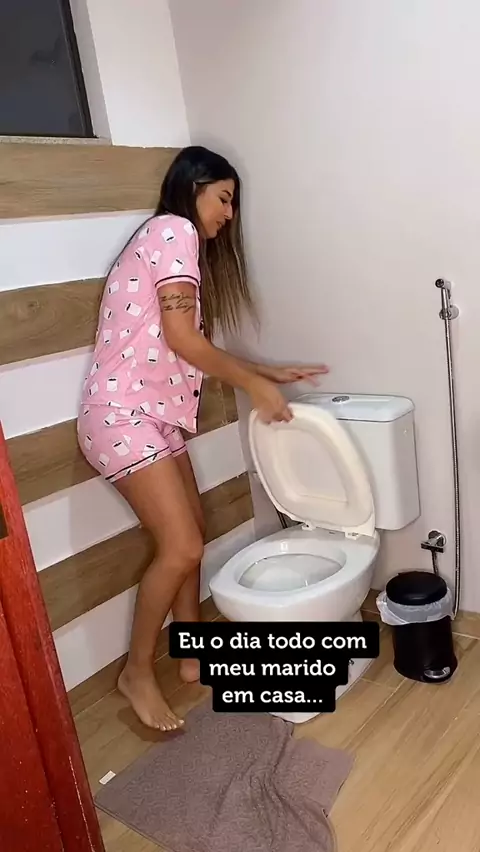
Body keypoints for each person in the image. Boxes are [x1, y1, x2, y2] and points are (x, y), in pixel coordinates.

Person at [77, 146, 328, 731]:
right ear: (193, 187)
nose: (229, 214)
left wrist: (266, 373)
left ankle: (191, 655)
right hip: (120, 414)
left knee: (193, 531)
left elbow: (188, 344)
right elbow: (184, 340)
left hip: (150, 416)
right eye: (224, 198)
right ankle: (137, 672)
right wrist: (254, 386)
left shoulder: (170, 240)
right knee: (184, 546)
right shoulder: (174, 230)